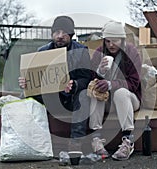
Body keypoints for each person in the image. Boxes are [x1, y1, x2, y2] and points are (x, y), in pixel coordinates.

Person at [18, 16, 91, 148]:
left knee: (84, 95)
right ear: (52, 34)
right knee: (25, 97)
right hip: (50, 97)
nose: (60, 36)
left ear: (71, 35)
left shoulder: (81, 51)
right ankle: (26, 139)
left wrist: (74, 85)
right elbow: (34, 78)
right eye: (57, 32)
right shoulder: (42, 51)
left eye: (64, 33)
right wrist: (26, 83)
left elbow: (86, 78)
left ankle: (76, 142)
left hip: (70, 98)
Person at [89, 21, 142, 160]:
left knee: (121, 93)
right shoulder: (99, 53)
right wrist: (99, 72)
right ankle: (96, 139)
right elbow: (92, 80)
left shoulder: (131, 52)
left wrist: (111, 84)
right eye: (107, 41)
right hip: (106, 100)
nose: (111, 45)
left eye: (115, 41)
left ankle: (127, 141)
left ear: (122, 40)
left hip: (129, 98)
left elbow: (134, 83)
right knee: (96, 90)